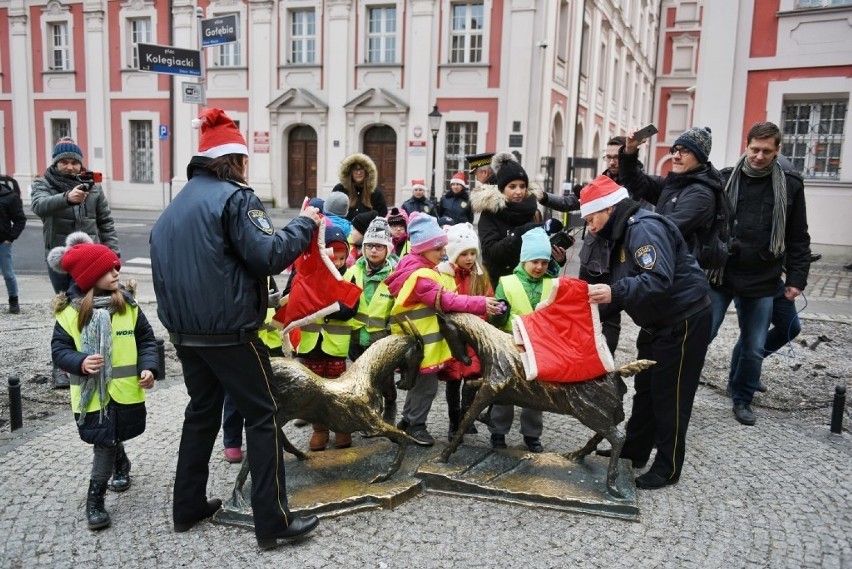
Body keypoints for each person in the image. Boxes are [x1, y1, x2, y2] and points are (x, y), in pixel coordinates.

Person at [149, 107, 319, 549]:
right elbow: (267, 255)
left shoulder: (173, 207)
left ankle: (186, 506)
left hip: (186, 333)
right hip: (228, 331)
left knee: (201, 412)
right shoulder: (236, 197)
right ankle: (273, 521)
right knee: (262, 416)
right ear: (236, 160)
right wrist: (306, 224)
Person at [582, 175, 712, 490]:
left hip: (683, 318)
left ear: (609, 209)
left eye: (591, 216)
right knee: (646, 388)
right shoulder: (621, 230)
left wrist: (612, 293)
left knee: (672, 396)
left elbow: (656, 280)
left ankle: (667, 468)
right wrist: (587, 315)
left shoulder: (643, 229)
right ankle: (635, 451)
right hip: (657, 322)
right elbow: (625, 285)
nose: (589, 225)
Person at [48, 232, 158, 530]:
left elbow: (147, 340)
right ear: (90, 276)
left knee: (109, 436)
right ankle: (95, 500)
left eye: (116, 267)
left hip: (124, 390)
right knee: (105, 441)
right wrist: (80, 362)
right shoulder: (70, 314)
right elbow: (59, 350)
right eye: (109, 269)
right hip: (90, 397)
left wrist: (149, 368)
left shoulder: (128, 306)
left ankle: (120, 464)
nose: (117, 271)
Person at [709, 121, 811, 426]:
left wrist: (796, 279)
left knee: (754, 347)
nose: (759, 156)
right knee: (703, 333)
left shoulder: (790, 184)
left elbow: (798, 236)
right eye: (755, 149)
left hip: (763, 278)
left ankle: (742, 397)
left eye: (767, 151)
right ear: (746, 145)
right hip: (721, 274)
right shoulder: (725, 178)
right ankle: (680, 389)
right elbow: (708, 224)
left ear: (777, 150)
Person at [385, 212, 504, 446]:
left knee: (420, 385)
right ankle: (416, 426)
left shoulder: (418, 267)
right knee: (426, 388)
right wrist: (480, 303)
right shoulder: (421, 275)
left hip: (418, 342)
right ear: (422, 249)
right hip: (422, 344)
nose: (442, 253)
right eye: (438, 248)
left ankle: (407, 422)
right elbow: (446, 300)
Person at [31, 138, 121, 388]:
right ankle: (63, 365)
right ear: (55, 163)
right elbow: (38, 206)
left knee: (90, 307)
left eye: (74, 162)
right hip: (61, 260)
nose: (70, 167)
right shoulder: (43, 183)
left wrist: (114, 255)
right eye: (64, 162)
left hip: (91, 261)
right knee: (65, 309)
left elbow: (106, 222)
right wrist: (66, 198)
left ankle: (91, 358)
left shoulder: (93, 187)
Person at [487, 227, 556, 453]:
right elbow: (495, 319)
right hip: (510, 343)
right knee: (505, 390)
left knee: (536, 392)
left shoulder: (553, 283)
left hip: (539, 345)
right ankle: (498, 431)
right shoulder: (506, 282)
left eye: (544, 262)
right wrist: (498, 313)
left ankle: (532, 434)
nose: (539, 267)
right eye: (534, 261)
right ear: (524, 260)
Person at [292, 225, 359, 451]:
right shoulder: (306, 274)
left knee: (338, 390)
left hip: (335, 348)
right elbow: (292, 301)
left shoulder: (350, 276)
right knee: (315, 393)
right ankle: (320, 430)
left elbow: (350, 309)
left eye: (342, 257)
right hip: (311, 347)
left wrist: (325, 307)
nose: (338, 262)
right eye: (334, 256)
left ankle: (342, 429)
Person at [618, 126, 722, 267]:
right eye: (675, 150)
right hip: (669, 266)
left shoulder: (702, 194)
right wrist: (630, 151)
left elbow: (665, 229)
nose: (676, 156)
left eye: (685, 151)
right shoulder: (674, 184)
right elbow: (633, 180)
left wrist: (626, 222)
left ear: (700, 157)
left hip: (684, 275)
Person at [436, 222, 492, 440]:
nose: (469, 258)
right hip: (452, 339)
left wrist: (481, 320)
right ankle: (453, 420)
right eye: (463, 254)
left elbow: (488, 299)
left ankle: (465, 418)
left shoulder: (480, 275)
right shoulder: (444, 275)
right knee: (452, 381)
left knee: (471, 380)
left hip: (473, 339)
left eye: (472, 253)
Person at [344, 217, 399, 424]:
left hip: (382, 339)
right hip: (357, 338)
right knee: (363, 379)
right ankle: (370, 412)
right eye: (369, 246)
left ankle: (390, 403)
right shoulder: (353, 272)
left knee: (385, 379)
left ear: (388, 249)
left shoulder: (394, 275)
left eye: (378, 246)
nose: (373, 251)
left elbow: (398, 308)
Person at [473, 152, 543, 284]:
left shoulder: (534, 212)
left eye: (522, 186)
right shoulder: (490, 213)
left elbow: (539, 252)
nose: (518, 191)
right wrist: (519, 234)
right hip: (499, 284)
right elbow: (491, 253)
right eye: (512, 187)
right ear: (502, 189)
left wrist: (556, 255)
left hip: (529, 284)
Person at [332, 153, 388, 220]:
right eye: (355, 170)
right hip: (344, 229)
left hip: (367, 229)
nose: (358, 173)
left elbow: (382, 214)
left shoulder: (375, 192)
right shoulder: (340, 189)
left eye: (361, 169)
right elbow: (332, 211)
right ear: (350, 172)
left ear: (367, 172)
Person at [0, 174, 26, 314]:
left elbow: (20, 220)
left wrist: (10, 238)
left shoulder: (9, 197)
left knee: (8, 274)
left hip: (2, 243)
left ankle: (13, 301)